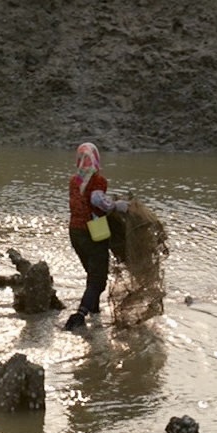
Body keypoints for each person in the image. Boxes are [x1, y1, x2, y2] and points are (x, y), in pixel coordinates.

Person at [65, 141, 127, 331]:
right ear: (96, 159)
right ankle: (80, 315)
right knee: (98, 279)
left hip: (74, 231)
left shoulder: (74, 180)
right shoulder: (98, 180)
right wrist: (116, 205)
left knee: (92, 273)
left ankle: (95, 311)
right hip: (94, 231)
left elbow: (85, 200)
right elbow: (97, 200)